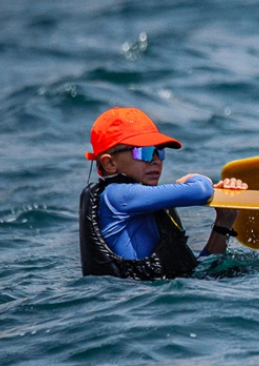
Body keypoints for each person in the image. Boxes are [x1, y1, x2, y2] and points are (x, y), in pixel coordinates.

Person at [79, 107, 248, 279]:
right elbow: (202, 190)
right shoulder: (116, 196)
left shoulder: (152, 205)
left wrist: (224, 221)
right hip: (136, 301)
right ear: (110, 164)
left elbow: (196, 271)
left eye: (159, 151)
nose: (155, 161)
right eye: (143, 152)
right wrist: (194, 178)